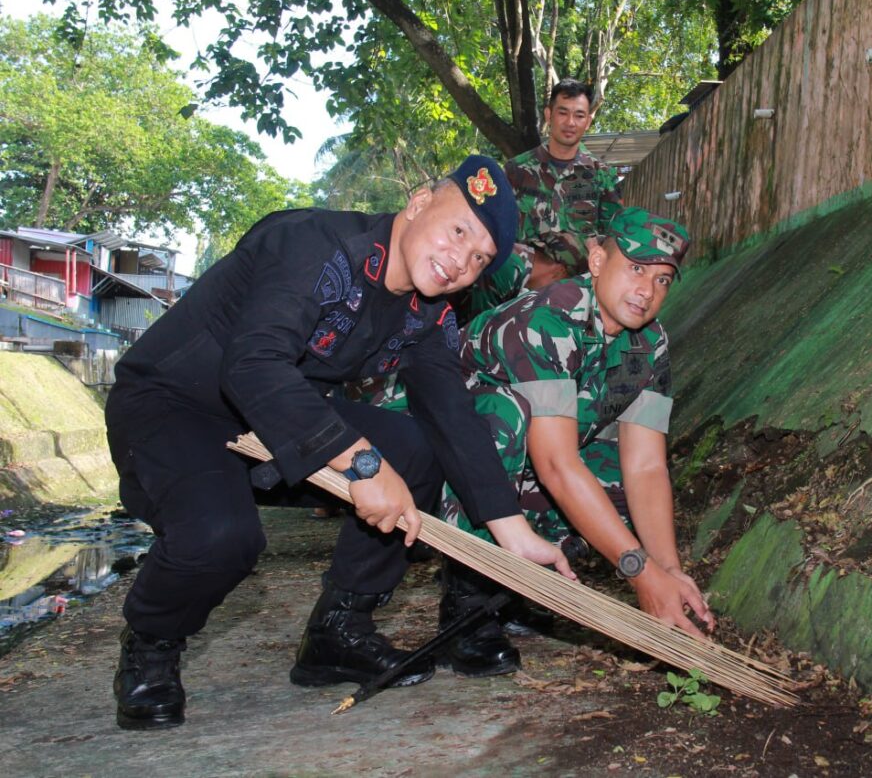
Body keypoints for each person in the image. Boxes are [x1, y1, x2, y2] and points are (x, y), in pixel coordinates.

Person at [104, 155, 574, 731]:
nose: (460, 261)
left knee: (418, 448)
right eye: (458, 232)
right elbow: (252, 366)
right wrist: (362, 463)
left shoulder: (426, 312)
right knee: (222, 537)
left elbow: (453, 415)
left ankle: (338, 632)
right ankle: (152, 644)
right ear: (420, 202)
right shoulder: (312, 244)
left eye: (479, 258)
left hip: (283, 419)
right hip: (176, 407)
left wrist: (512, 531)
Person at [434, 206, 715, 678]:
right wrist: (638, 573)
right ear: (598, 260)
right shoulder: (550, 316)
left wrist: (666, 570)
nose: (647, 291)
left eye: (664, 280)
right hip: (429, 454)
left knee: (611, 474)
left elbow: (646, 467)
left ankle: (518, 588)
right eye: (636, 268)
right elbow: (556, 464)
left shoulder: (650, 344)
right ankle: (467, 602)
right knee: (504, 418)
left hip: (523, 463)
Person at [461, 79, 623, 320]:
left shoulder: (602, 175)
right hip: (517, 294)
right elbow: (493, 230)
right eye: (563, 113)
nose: (570, 122)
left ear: (588, 121)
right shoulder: (516, 171)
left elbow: (614, 238)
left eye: (579, 115)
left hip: (576, 295)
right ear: (549, 115)